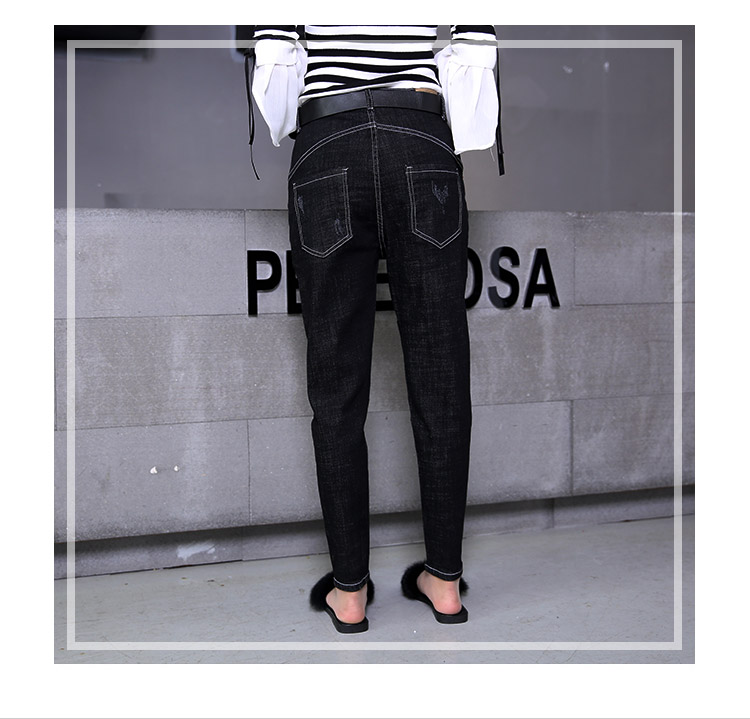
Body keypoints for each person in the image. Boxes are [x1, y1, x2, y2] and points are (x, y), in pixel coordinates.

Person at [244, 24, 504, 633]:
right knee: (441, 375)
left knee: (336, 384)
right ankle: (444, 581)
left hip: (327, 139)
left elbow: (275, 56)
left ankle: (350, 591)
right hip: (420, 135)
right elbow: (474, 44)